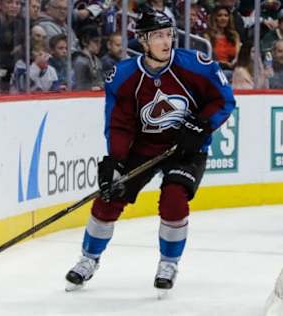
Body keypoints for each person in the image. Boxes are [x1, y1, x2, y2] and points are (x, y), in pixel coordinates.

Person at [65, 9, 236, 293]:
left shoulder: (195, 65)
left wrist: (201, 126)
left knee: (173, 198)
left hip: (185, 148)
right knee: (109, 198)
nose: (167, 41)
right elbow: (118, 124)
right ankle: (88, 259)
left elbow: (223, 100)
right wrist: (116, 161)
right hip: (143, 147)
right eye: (158, 36)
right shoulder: (123, 77)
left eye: (169, 34)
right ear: (143, 41)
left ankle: (169, 263)